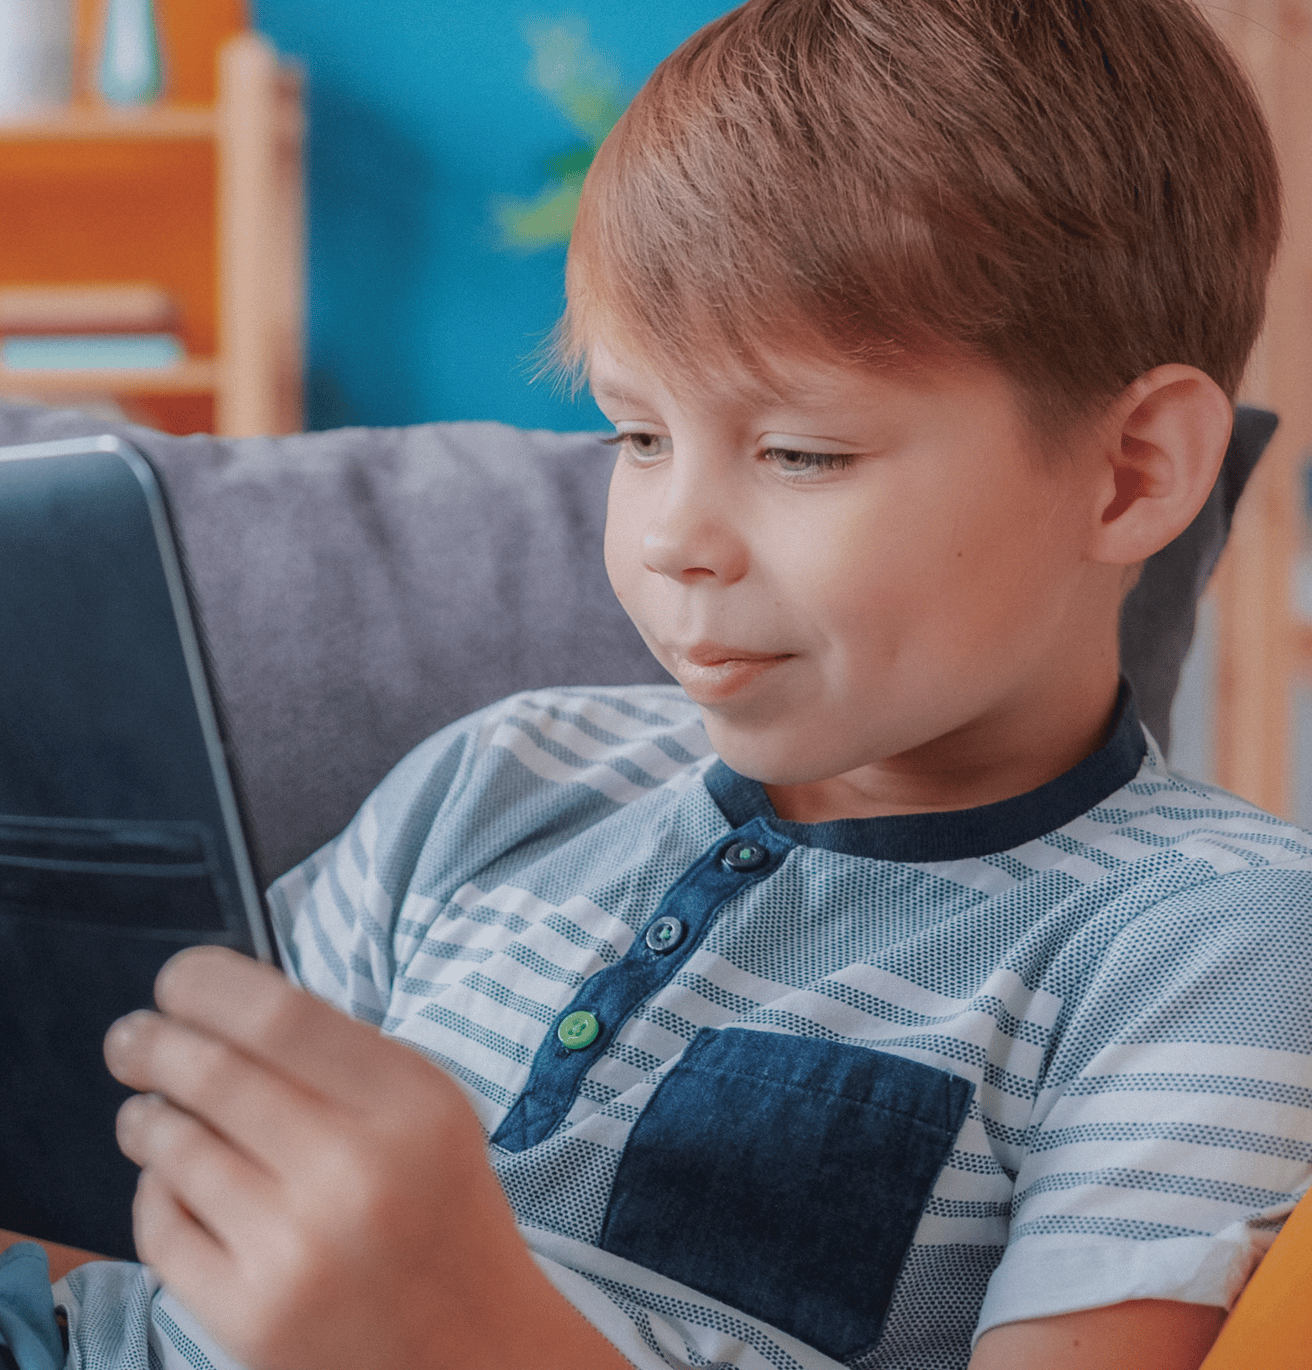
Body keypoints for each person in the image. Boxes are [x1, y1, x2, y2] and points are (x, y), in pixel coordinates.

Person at [4, 0, 1308, 1367]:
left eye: (800, 453)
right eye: (636, 434)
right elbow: (130, 1213)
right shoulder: (501, 774)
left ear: (1133, 472)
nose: (674, 537)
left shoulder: (1212, 940)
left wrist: (473, 1334)